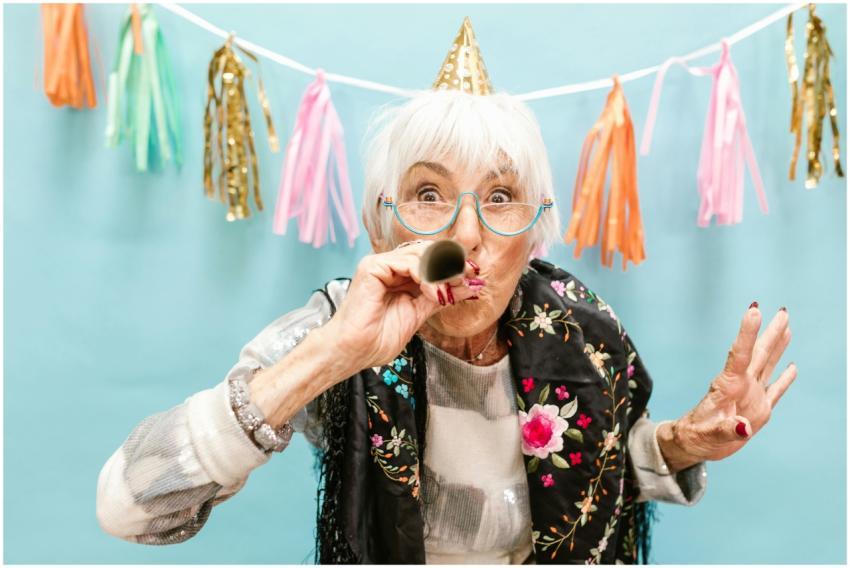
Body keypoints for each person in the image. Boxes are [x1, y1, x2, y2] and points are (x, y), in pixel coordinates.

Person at [96, 18, 796, 565]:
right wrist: (332, 355)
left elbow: (606, 474)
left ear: (536, 232)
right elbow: (127, 507)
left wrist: (680, 442)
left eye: (501, 195)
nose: (468, 235)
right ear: (382, 224)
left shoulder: (583, 332)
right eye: (429, 194)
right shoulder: (337, 327)